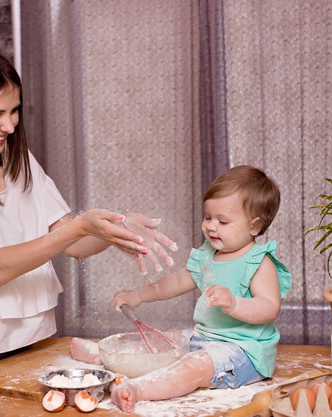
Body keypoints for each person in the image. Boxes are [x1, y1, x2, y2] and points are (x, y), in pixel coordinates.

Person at [0, 46, 176, 411]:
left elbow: (73, 242)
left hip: (35, 346)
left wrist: (115, 228)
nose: (9, 126)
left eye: (14, 111)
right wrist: (78, 229)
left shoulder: (19, 161)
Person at [110, 165, 292, 413]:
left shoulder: (258, 262)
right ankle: (104, 355)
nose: (211, 226)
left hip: (243, 353)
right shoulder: (208, 254)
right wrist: (138, 295)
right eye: (208, 217)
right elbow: (175, 282)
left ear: (254, 226)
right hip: (206, 341)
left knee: (193, 366)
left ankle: (139, 390)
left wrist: (235, 303)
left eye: (223, 221)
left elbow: (269, 307)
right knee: (170, 338)